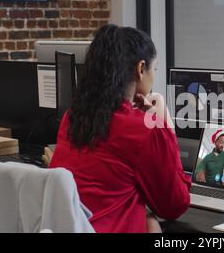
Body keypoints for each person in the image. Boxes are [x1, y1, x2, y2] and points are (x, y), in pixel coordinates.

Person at [49, 25, 191, 233]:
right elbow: (175, 204)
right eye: (155, 69)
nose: (154, 75)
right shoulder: (144, 128)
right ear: (140, 69)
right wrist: (163, 125)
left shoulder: (72, 117)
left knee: (148, 219)